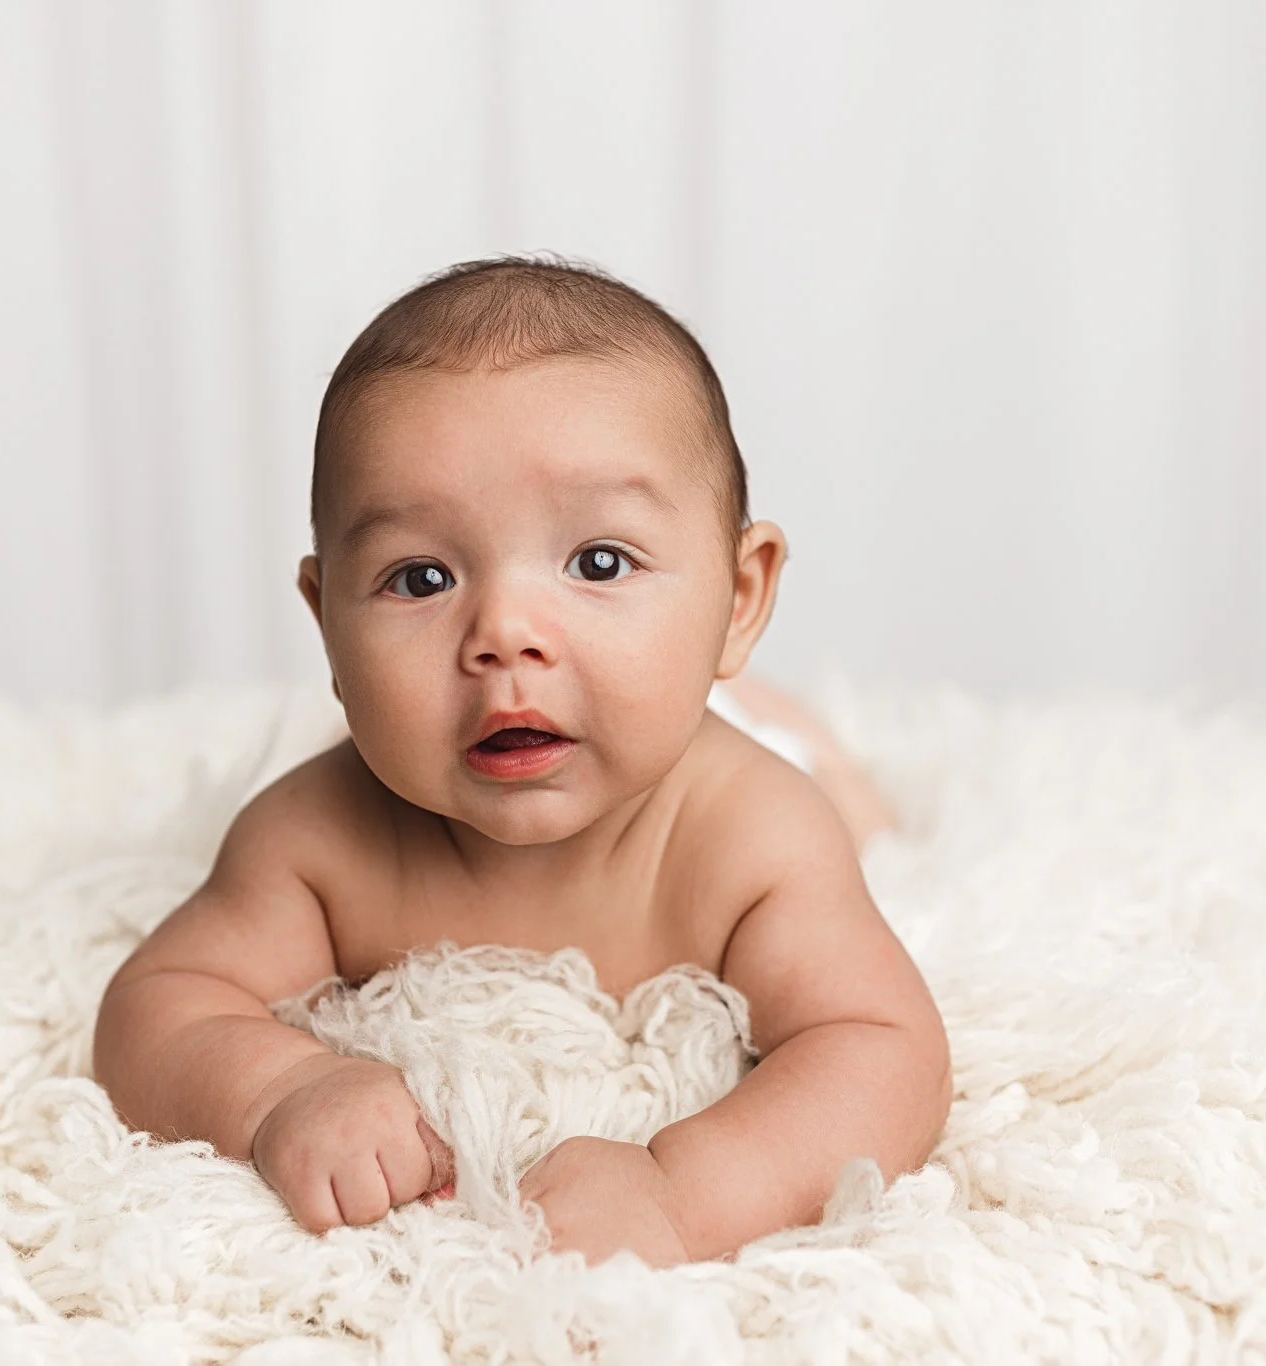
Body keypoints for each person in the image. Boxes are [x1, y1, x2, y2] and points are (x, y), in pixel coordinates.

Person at [93, 258, 950, 1266]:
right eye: (420, 578)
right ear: (326, 624)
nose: (502, 633)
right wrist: (281, 1088)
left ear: (739, 597)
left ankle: (765, 709)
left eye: (597, 562)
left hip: (741, 750)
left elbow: (883, 1050)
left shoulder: (753, 833)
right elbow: (159, 1001)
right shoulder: (314, 839)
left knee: (845, 799)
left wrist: (685, 1192)